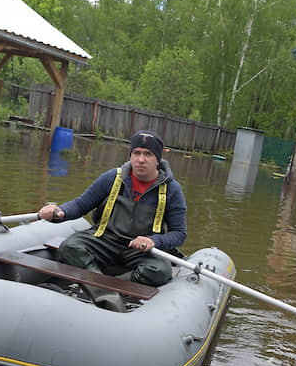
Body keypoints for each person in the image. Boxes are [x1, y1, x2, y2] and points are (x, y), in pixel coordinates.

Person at [38, 130, 187, 311]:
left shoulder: (172, 190)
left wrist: (153, 241)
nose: (141, 159)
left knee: (161, 271)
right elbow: (81, 204)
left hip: (140, 251)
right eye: (136, 153)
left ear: (157, 159)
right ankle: (108, 297)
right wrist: (60, 211)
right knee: (70, 247)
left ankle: (103, 286)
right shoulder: (113, 178)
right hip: (105, 241)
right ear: (130, 155)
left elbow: (179, 234)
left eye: (148, 154)